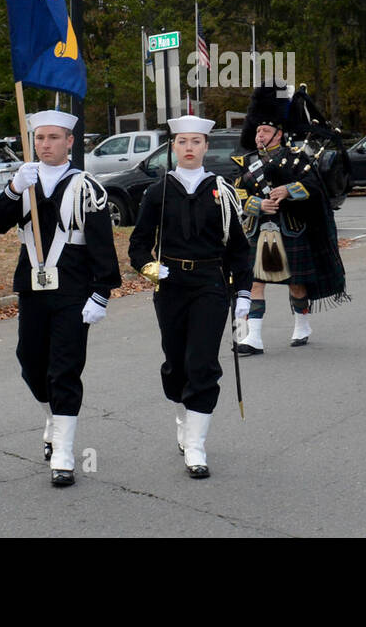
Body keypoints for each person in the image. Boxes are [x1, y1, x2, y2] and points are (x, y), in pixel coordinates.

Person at [0, 109, 120, 487]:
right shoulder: (23, 181)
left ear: (70, 142)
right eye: (40, 138)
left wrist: (101, 292)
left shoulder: (86, 187)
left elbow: (102, 246)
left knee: (65, 367)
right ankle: (52, 416)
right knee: (30, 360)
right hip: (33, 287)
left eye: (54, 138)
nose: (46, 145)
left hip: (74, 289)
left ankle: (63, 451)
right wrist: (12, 190)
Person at [128, 116, 251, 478]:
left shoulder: (222, 191)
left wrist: (243, 293)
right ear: (173, 147)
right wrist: (151, 269)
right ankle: (182, 412)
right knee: (176, 362)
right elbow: (138, 245)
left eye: (196, 142)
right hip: (170, 285)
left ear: (206, 146)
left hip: (211, 283)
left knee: (203, 362)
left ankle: (196, 446)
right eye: (182, 142)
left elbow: (239, 249)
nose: (189, 148)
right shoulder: (158, 191)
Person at [233, 83, 349, 355]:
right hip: (258, 230)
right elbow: (236, 193)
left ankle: (302, 324)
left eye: (264, 131)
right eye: (258, 130)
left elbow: (314, 187)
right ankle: (254, 338)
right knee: (254, 282)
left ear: (279, 133)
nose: (259, 135)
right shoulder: (246, 162)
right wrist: (257, 204)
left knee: (296, 283)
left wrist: (288, 190)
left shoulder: (297, 159)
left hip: (291, 229)